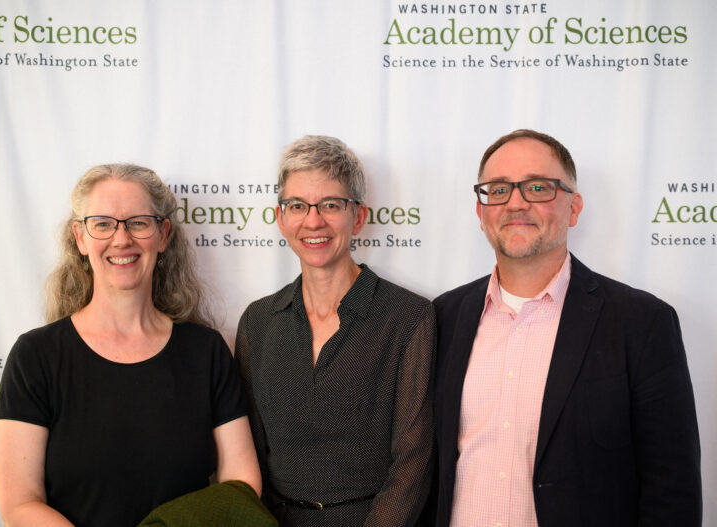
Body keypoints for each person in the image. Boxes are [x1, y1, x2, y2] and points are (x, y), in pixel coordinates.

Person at [432, 129, 702, 526]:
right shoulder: (442, 317)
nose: (516, 203)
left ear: (574, 208)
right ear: (481, 212)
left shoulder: (642, 323)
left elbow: (672, 490)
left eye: (538, 187)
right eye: (499, 189)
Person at [0, 163, 261, 527]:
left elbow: (241, 482)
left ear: (163, 235)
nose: (121, 239)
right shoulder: (35, 357)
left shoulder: (207, 351)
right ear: (80, 238)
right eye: (103, 224)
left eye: (138, 222)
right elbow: (19, 503)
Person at [235, 135, 435, 526]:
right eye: (297, 206)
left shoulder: (409, 317)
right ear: (280, 218)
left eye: (330, 204)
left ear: (358, 217)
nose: (313, 221)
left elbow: (415, 460)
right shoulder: (257, 322)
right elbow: (250, 456)